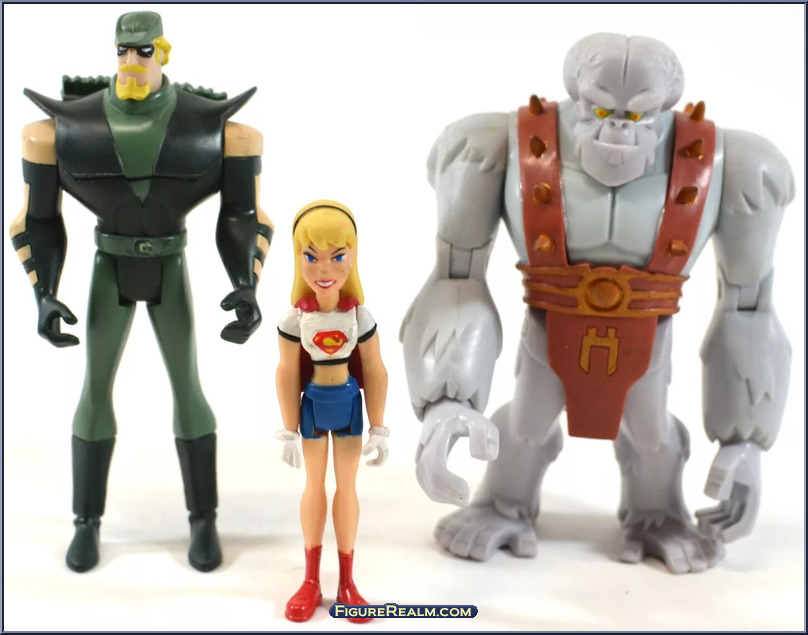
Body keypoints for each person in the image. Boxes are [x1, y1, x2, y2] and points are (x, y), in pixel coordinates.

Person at [400, 33, 794, 573]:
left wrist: (744, 441)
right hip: (547, 328)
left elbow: (747, 306)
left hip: (649, 339)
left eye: (639, 115)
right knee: (525, 424)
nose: (618, 131)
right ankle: (503, 502)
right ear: (577, 95)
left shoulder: (735, 163)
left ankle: (657, 513)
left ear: (665, 107)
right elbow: (457, 279)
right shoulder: (495, 145)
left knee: (651, 434)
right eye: (602, 110)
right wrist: (447, 400)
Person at [9, 11, 271, 573]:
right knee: (94, 390)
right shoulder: (60, 133)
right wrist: (44, 291)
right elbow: (37, 220)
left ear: (162, 51)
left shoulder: (218, 132)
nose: (131, 61)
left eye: (142, 51)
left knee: (189, 390)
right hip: (109, 266)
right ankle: (86, 521)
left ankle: (203, 517)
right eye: (122, 51)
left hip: (170, 266)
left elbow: (244, 216)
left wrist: (246, 283)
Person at [276, 200, 389, 622]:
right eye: (312, 257)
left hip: (347, 408)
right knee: (313, 487)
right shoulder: (294, 320)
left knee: (347, 488)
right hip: (312, 408)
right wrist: (288, 429)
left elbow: (374, 369)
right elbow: (287, 371)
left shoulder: (359, 317)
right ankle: (310, 580)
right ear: (298, 258)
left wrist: (380, 427)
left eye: (337, 256)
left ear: (353, 257)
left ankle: (347, 582)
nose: (325, 269)